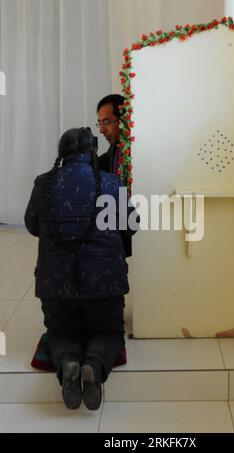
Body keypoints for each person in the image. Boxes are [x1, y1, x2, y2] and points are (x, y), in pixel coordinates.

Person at [25, 127, 137, 411]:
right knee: (109, 333)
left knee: (61, 335)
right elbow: (132, 226)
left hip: (56, 285)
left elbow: (32, 225)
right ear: (92, 151)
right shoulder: (112, 183)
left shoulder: (44, 183)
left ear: (61, 153)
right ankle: (93, 366)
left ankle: (69, 362)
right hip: (105, 284)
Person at [96, 94, 132, 257]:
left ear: (123, 120)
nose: (102, 130)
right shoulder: (116, 147)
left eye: (107, 122)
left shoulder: (134, 148)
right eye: (100, 123)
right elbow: (100, 163)